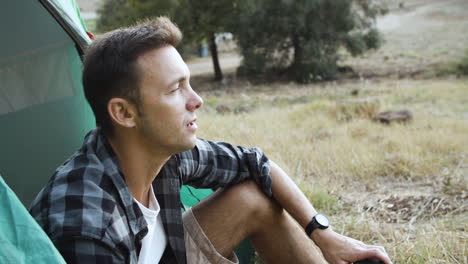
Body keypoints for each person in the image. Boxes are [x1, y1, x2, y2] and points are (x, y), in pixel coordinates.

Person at [29, 17, 392, 264]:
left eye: (189, 82)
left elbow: (256, 162)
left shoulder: (157, 151)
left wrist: (324, 235)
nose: (196, 100)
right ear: (124, 113)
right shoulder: (87, 224)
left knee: (250, 196)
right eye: (175, 90)